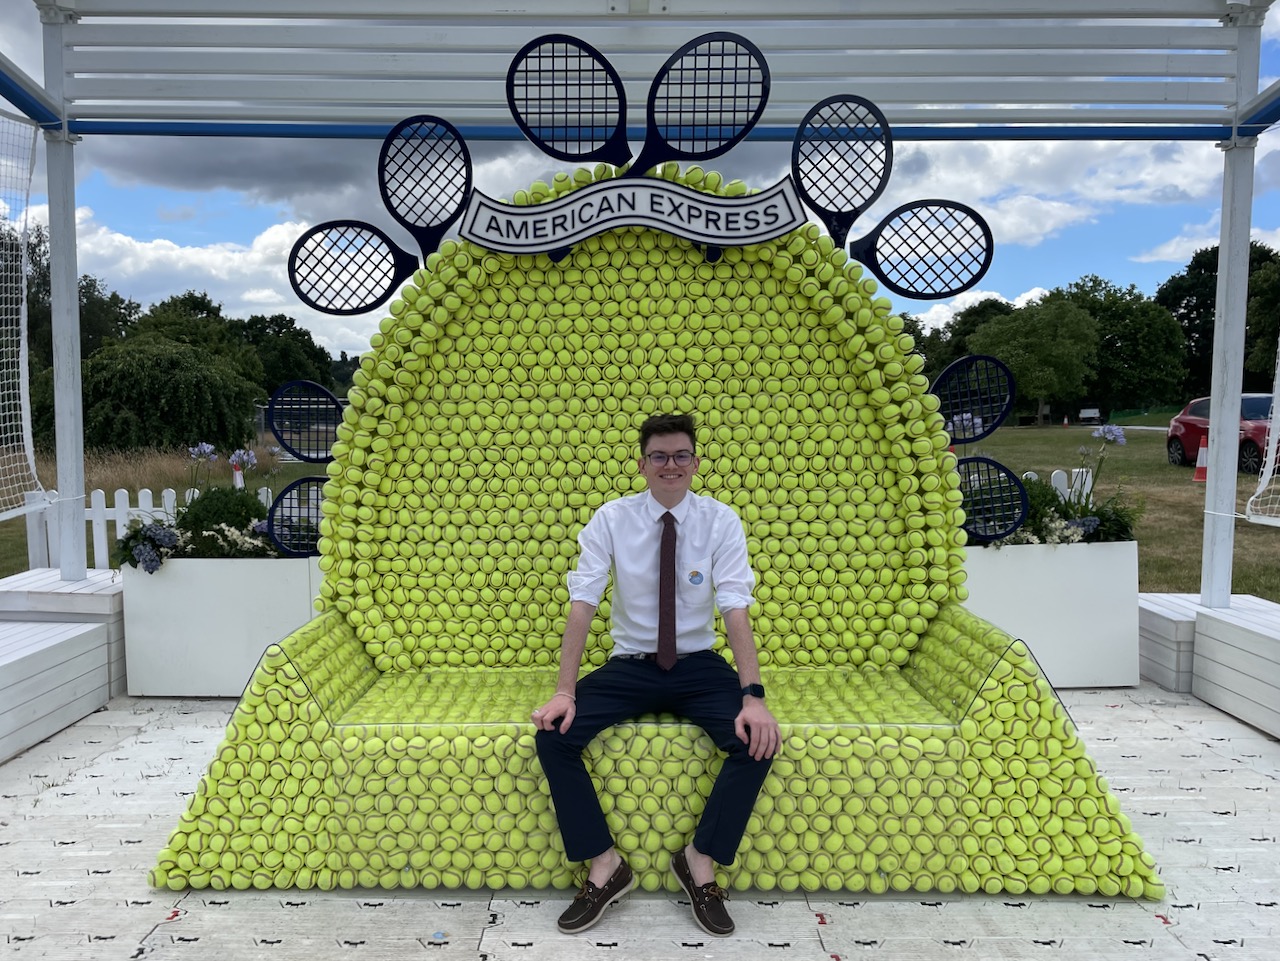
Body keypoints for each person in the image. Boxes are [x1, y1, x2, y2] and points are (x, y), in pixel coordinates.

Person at [531, 412, 780, 937]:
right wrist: (564, 692)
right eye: (659, 456)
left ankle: (699, 861)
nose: (671, 465)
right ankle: (605, 865)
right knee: (554, 735)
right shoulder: (612, 519)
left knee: (757, 741)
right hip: (631, 665)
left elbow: (735, 606)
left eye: (681, 455)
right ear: (642, 464)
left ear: (696, 462)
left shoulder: (720, 521)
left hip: (699, 666)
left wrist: (753, 696)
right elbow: (583, 600)